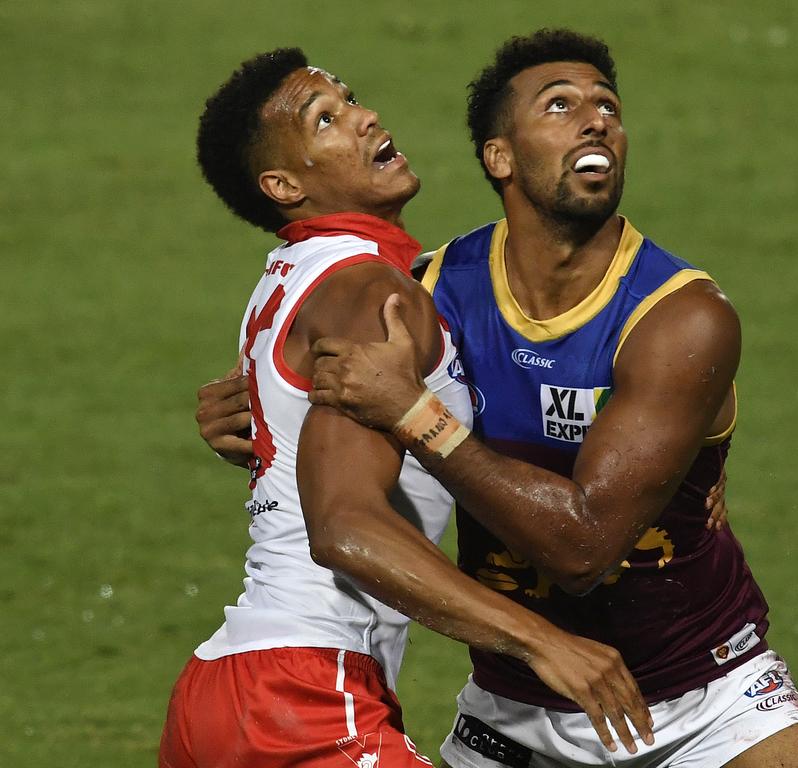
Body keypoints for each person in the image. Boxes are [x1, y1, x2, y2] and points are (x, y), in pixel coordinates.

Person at [302, 30, 798, 768]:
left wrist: (412, 413)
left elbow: (583, 548)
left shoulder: (680, 317)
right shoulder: (433, 294)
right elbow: (331, 415)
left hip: (707, 703)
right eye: (560, 106)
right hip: (515, 710)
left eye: (608, 108)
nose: (597, 121)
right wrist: (256, 403)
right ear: (501, 158)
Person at [161, 47, 656, 768]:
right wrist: (543, 641)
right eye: (326, 119)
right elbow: (342, 527)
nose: (365, 118)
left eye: (351, 99)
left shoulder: (290, 278)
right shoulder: (373, 295)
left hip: (225, 688)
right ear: (283, 183)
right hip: (305, 696)